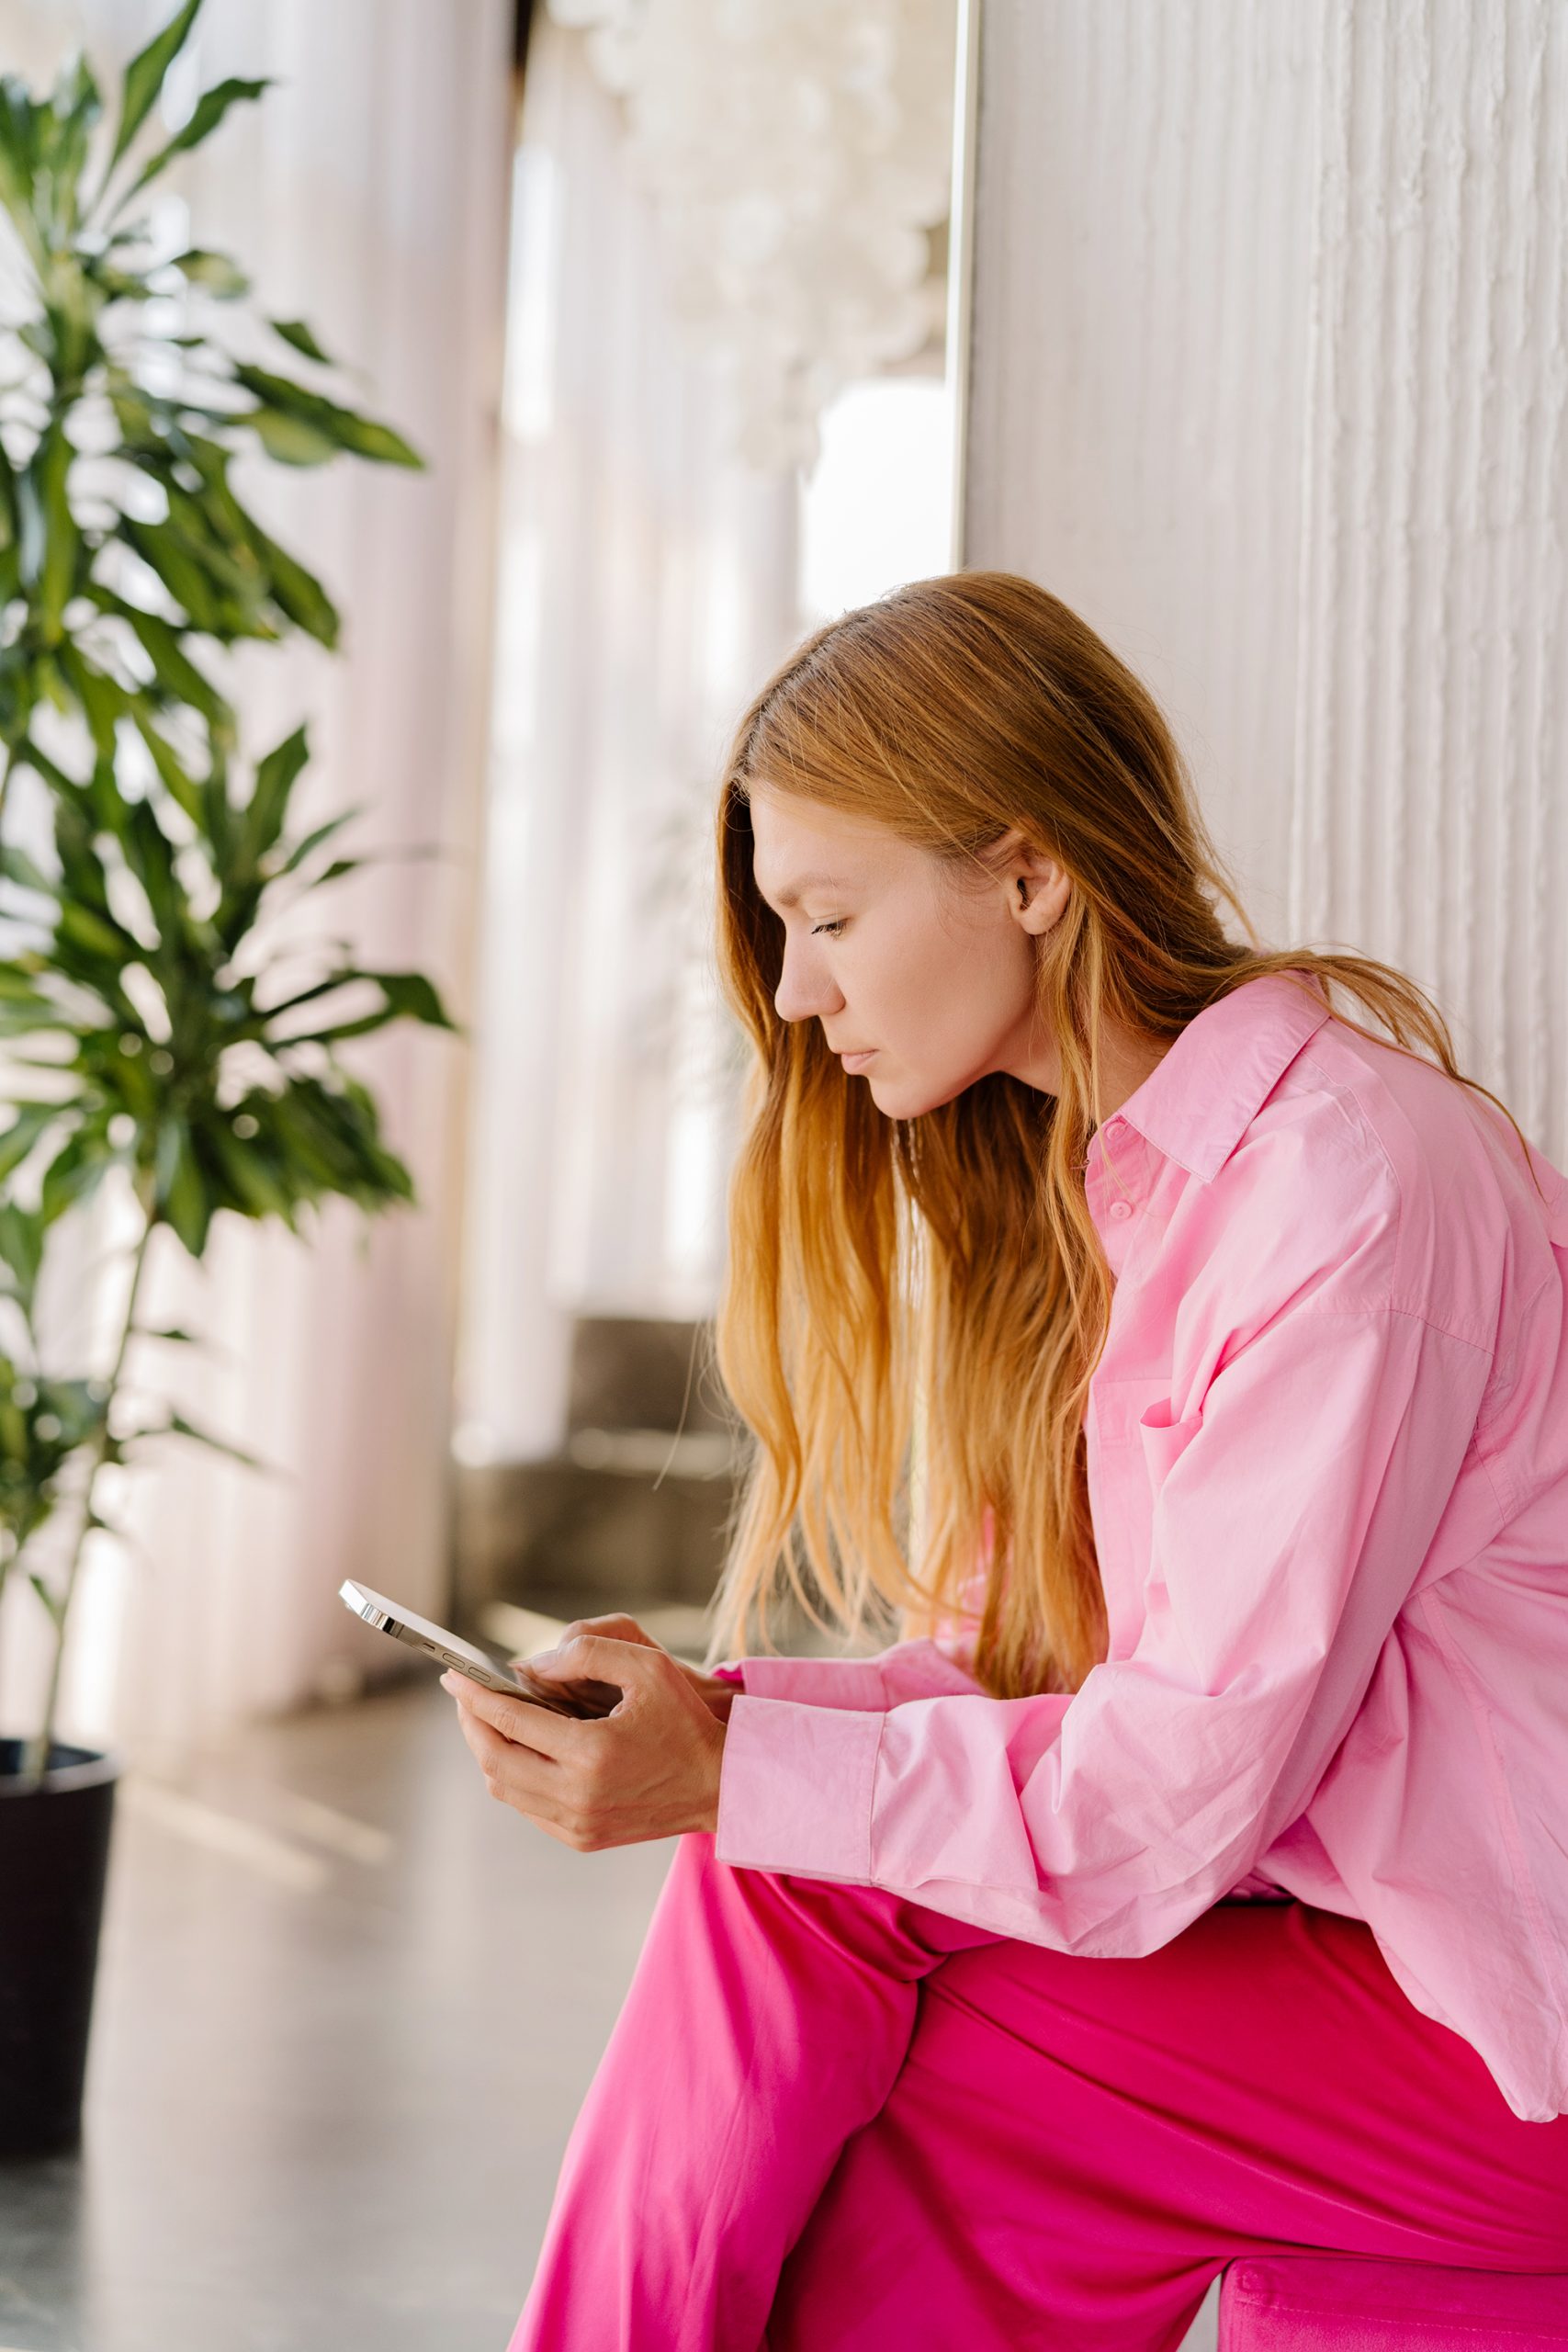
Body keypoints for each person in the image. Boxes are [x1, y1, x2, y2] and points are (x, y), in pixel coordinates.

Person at [443, 572, 1568, 2350]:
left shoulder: (1343, 1188)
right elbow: (1007, 1686)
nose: (799, 994)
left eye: (825, 916)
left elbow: (1173, 1803)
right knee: (786, 1857)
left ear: (1030, 876)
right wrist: (722, 1728)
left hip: (1508, 2037)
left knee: (893, 1987)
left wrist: (739, 1774)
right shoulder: (1105, 1206)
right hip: (1349, 1972)